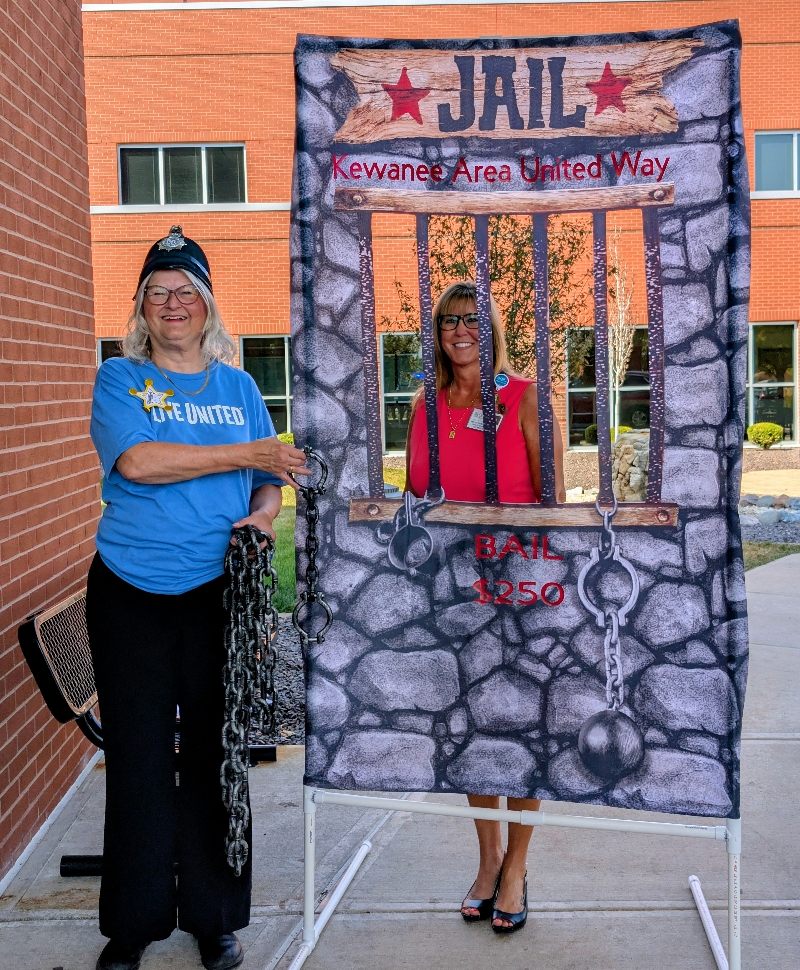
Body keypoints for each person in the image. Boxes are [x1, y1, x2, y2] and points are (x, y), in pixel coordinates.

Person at [87, 226, 309, 970]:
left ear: (208, 305)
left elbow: (269, 480)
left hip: (217, 594)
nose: (173, 303)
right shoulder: (121, 378)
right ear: (140, 308)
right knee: (140, 757)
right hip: (130, 592)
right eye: (158, 292)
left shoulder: (238, 387)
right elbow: (139, 463)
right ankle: (133, 923)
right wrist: (249, 454)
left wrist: (264, 515)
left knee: (219, 754)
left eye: (186, 291)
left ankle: (214, 917)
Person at [406, 280, 565, 934]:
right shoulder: (426, 403)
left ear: (492, 327)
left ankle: (518, 866)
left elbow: (555, 501)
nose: (460, 331)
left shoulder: (524, 397)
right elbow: (415, 497)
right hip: (456, 590)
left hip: (521, 589)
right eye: (449, 321)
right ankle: (488, 858)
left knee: (524, 728)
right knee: (473, 728)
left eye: (472, 319)